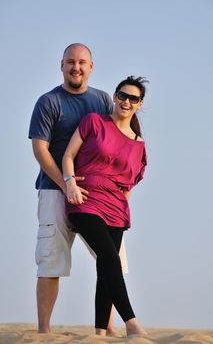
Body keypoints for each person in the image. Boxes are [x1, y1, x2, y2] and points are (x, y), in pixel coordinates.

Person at [28, 43, 128, 334]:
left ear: (91, 67)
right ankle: (43, 332)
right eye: (70, 62)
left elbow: (117, 138)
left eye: (82, 62)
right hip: (54, 192)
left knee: (112, 260)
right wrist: (66, 184)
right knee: (50, 262)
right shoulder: (48, 102)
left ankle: (107, 330)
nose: (76, 67)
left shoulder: (103, 100)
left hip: (98, 198)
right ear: (61, 65)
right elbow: (40, 149)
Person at [62, 76, 148, 336]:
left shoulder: (138, 144)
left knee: (105, 266)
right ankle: (131, 322)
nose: (126, 101)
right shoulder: (94, 122)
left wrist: (123, 209)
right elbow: (68, 155)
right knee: (110, 258)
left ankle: (100, 332)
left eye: (133, 98)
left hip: (116, 209)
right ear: (114, 96)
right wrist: (70, 184)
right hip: (86, 200)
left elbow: (129, 185)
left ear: (139, 105)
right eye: (123, 95)